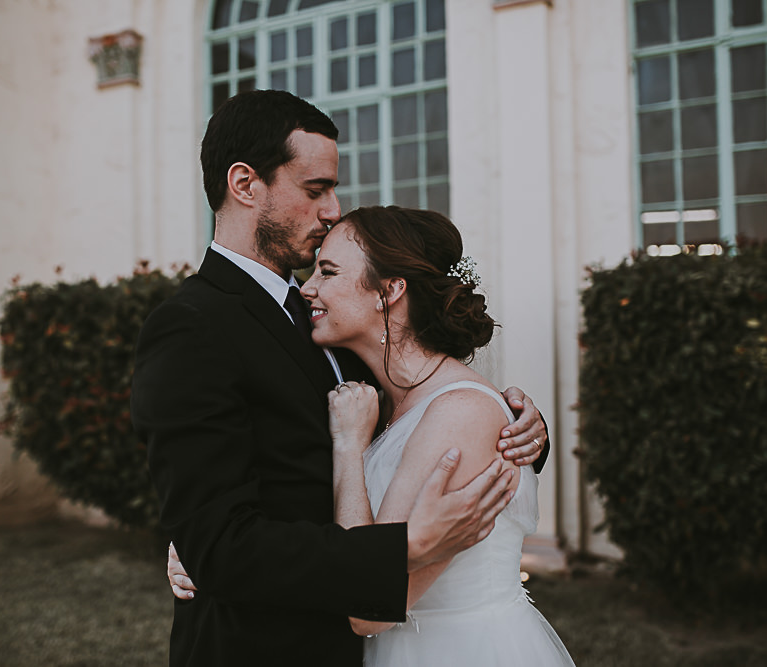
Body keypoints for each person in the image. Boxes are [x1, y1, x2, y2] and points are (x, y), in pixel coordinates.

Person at [131, 90, 549, 667]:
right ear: (245, 184)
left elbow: (416, 410)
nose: (332, 209)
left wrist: (516, 428)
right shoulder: (191, 327)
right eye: (314, 189)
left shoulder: (329, 316)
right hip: (263, 649)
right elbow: (221, 542)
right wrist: (406, 546)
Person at [302, 205, 575, 666]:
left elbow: (371, 608)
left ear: (389, 291)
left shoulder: (459, 414)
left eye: (327, 271)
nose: (308, 287)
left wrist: (349, 447)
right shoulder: (390, 402)